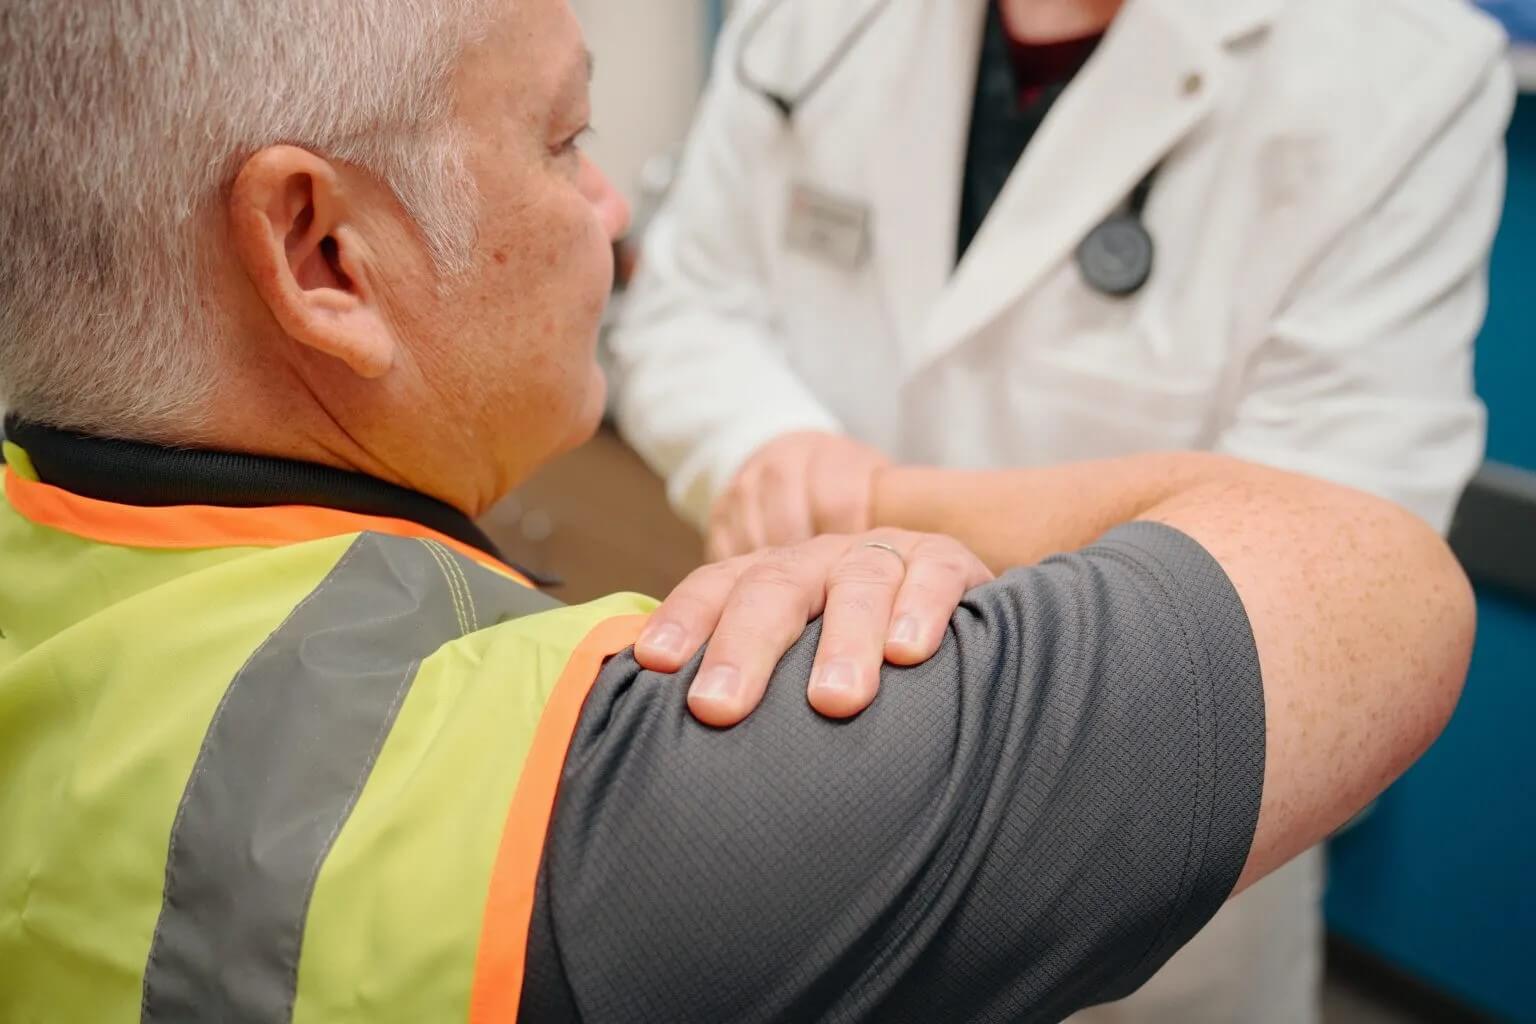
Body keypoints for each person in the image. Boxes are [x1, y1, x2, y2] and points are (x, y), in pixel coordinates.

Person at [0, 0, 1474, 1021]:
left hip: (1152, 845)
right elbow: (1372, 586)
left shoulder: (1404, 70)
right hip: (885, 740)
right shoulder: (645, 827)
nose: (612, 211)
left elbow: (1359, 502)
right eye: (565, 143)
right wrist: (805, 475)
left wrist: (884, 504)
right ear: (324, 251)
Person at [608, 0, 1513, 1018]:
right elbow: (688, 303)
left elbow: (1330, 557)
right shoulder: (811, 22)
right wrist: (766, 448)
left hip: (1134, 858)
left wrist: (869, 504)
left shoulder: (1405, 69)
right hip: (792, 783)